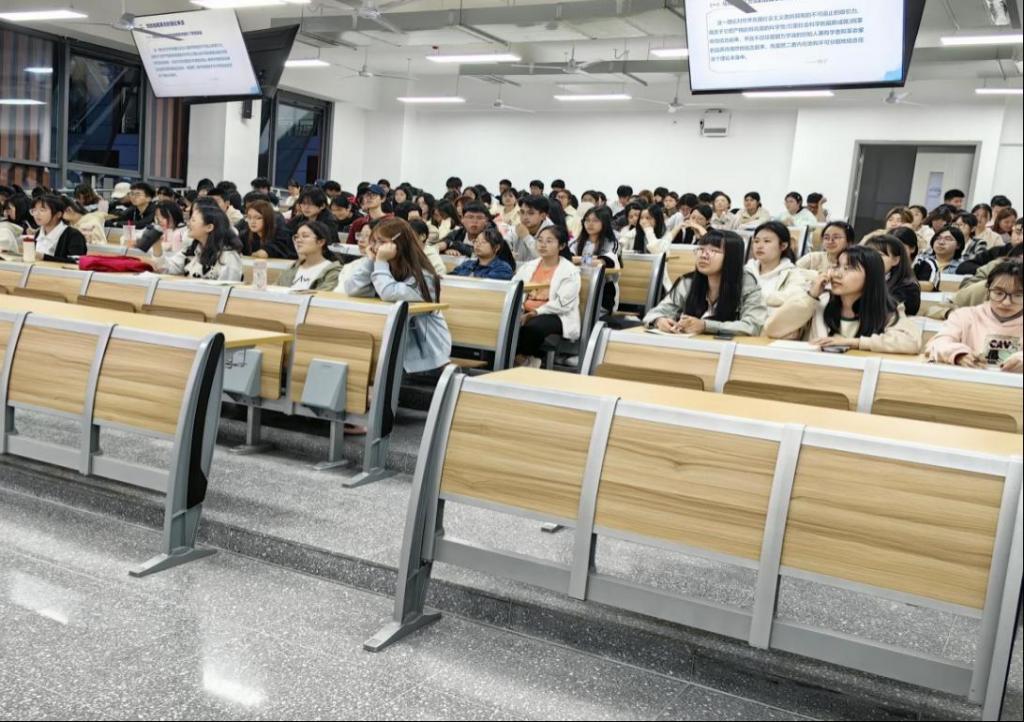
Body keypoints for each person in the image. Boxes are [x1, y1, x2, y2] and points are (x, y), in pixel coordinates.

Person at [766, 245, 922, 353]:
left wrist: (854, 343)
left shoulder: (886, 310)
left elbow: (911, 342)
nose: (837, 274)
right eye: (837, 266)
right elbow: (773, 330)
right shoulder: (818, 303)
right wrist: (811, 296)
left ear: (871, 276)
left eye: (848, 268)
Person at [343, 218, 451, 374]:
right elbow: (353, 289)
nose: (376, 247)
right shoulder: (383, 268)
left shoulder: (424, 276)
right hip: (391, 351)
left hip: (425, 358)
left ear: (398, 243)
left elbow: (389, 293)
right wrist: (370, 260)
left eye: (382, 242)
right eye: (374, 242)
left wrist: (380, 261)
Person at [644, 229, 767, 336]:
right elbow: (654, 313)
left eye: (714, 251)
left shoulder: (747, 284)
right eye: (701, 249)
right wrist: (659, 320)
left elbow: (753, 326)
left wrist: (705, 326)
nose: (703, 255)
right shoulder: (688, 282)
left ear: (731, 257)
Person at [928, 259, 1022, 372]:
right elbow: (937, 343)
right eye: (998, 293)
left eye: (1018, 295)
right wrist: (959, 355)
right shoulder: (965, 316)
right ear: (988, 291)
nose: (1006, 302)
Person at [512, 225, 580, 367]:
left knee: (533, 327)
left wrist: (535, 313)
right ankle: (522, 359)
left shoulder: (570, 271)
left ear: (561, 246)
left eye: (549, 241)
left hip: (555, 314)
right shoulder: (528, 266)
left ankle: (523, 358)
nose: (543, 245)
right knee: (506, 321)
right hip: (524, 309)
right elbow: (513, 288)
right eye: (540, 240)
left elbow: (563, 304)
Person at [148, 204, 243, 281]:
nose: (188, 223)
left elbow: (227, 290)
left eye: (193, 220)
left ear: (209, 227)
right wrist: (157, 244)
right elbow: (166, 269)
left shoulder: (228, 257)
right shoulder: (192, 249)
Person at [745, 221, 814, 310]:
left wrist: (751, 297)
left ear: (783, 246)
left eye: (767, 241)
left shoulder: (792, 274)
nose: (759, 246)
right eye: (756, 241)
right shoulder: (747, 270)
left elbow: (794, 298)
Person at [571, 206, 621, 314]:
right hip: (577, 287)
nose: (590, 224)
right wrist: (592, 258)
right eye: (587, 220)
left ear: (604, 223)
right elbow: (568, 259)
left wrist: (580, 259)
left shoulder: (612, 243)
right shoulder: (577, 241)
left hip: (603, 292)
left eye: (595, 221)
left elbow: (603, 262)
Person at [274, 221, 342, 291]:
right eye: (296, 237)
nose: (298, 240)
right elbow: (276, 290)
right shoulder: (292, 268)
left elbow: (321, 296)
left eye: (305, 236)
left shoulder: (332, 271)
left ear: (321, 242)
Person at [864, 234, 921, 316]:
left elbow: (884, 311)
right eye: (868, 254)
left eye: (879, 255)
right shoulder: (859, 279)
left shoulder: (908, 288)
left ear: (895, 260)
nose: (872, 258)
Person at [29, 194, 87, 262]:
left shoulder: (73, 235)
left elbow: (76, 262)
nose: (37, 214)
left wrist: (44, 257)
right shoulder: (39, 233)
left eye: (42, 210)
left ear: (58, 214)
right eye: (34, 210)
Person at [450, 226, 516, 280]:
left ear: (496, 247)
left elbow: (484, 285)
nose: (478, 245)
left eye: (483, 242)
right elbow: (449, 278)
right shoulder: (467, 264)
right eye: (476, 241)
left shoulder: (503, 269)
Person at [507, 196, 554, 262]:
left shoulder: (552, 233)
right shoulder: (519, 227)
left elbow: (546, 259)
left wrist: (526, 237)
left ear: (543, 216)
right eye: (522, 212)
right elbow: (505, 241)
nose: (524, 217)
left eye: (531, 213)